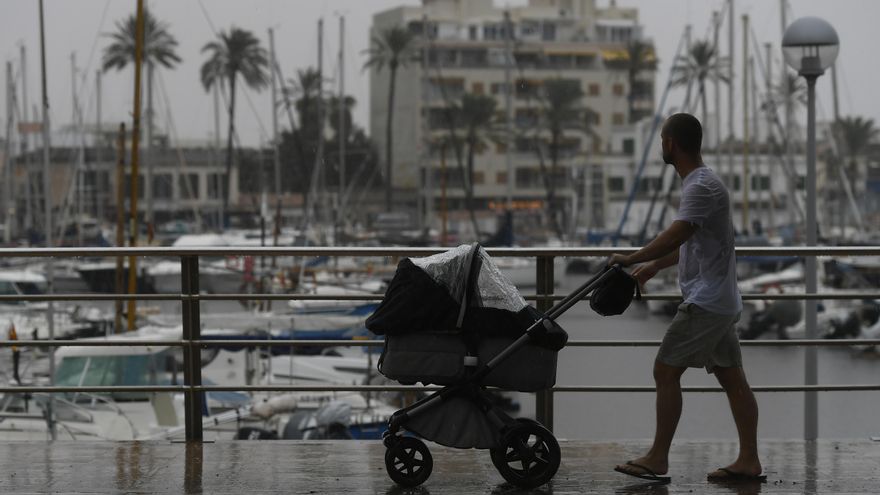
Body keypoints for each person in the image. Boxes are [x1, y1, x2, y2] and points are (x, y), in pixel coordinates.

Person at [609, 113, 765, 483]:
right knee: (733, 380)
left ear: (669, 144)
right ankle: (749, 461)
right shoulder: (701, 184)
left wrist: (632, 258)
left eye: (663, 139)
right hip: (718, 300)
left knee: (665, 369)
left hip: (707, 302)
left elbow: (677, 234)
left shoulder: (700, 186)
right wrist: (654, 268)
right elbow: (690, 243)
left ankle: (658, 458)